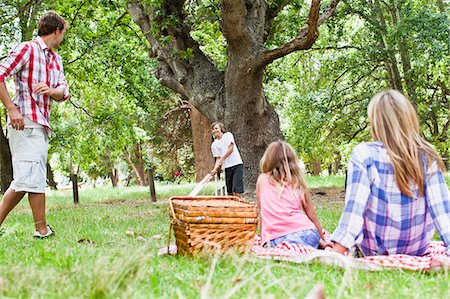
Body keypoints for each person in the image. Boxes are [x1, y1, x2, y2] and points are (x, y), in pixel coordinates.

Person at [329, 90, 450, 257]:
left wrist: (336, 251)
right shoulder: (427, 155)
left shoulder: (364, 155)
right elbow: (443, 211)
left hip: (374, 252)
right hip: (416, 251)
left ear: (376, 123)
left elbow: (354, 210)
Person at [0, 11, 70, 238]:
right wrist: (11, 108)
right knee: (26, 179)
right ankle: (41, 230)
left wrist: (51, 91)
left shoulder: (55, 59)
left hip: (41, 125)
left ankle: (41, 229)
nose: (62, 38)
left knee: (31, 178)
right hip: (23, 123)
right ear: (57, 31)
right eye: (63, 33)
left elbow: (63, 91)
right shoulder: (27, 49)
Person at [256, 140, 326, 248]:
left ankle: (304, 247)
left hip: (277, 238)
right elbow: (312, 216)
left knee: (290, 247)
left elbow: (263, 214)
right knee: (306, 242)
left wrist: (263, 240)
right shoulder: (298, 181)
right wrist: (323, 239)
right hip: (308, 232)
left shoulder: (262, 180)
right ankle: (317, 245)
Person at [210, 122, 244, 197]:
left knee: (237, 190)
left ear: (221, 129)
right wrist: (215, 169)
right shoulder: (214, 145)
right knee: (229, 191)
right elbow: (218, 159)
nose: (214, 130)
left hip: (236, 165)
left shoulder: (228, 135)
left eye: (216, 128)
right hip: (227, 167)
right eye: (213, 129)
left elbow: (231, 148)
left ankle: (239, 206)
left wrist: (223, 158)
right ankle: (231, 207)